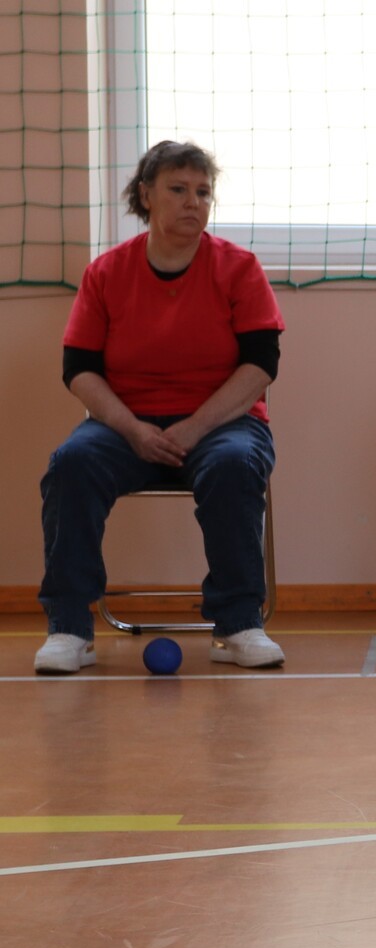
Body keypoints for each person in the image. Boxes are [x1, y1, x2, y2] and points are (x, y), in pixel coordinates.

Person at [36, 140, 285, 674]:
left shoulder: (240, 268)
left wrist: (194, 428)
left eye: (204, 192)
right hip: (124, 427)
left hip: (222, 424)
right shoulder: (106, 272)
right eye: (178, 189)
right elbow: (78, 369)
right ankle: (69, 629)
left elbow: (261, 366)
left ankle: (239, 624)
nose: (194, 202)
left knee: (234, 465)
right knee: (71, 465)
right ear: (146, 195)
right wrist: (133, 429)